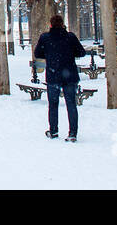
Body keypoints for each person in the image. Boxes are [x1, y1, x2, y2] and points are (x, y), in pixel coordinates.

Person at [34, 13, 87, 141]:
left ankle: (53, 131)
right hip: (69, 75)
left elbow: (37, 53)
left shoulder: (45, 38)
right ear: (63, 24)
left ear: (51, 25)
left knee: (53, 104)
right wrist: (69, 53)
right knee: (71, 104)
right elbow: (81, 52)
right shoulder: (70, 37)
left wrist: (50, 54)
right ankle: (72, 133)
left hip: (53, 75)